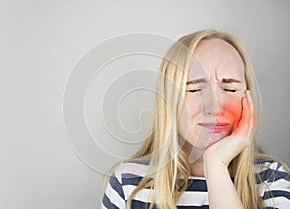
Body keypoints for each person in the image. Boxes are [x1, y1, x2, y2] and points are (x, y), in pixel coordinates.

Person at [101, 29, 290, 209]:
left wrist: (216, 164)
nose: (215, 108)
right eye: (194, 89)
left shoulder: (272, 181)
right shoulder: (128, 184)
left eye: (231, 89)